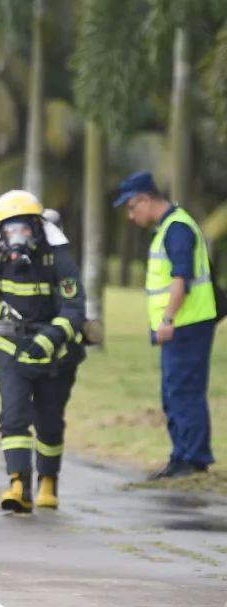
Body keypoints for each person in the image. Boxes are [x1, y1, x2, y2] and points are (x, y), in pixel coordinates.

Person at [0, 190, 86, 512]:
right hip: (12, 350)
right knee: (13, 417)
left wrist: (50, 338)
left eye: (23, 228)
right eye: (9, 229)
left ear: (37, 227)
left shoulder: (58, 258)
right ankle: (17, 484)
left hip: (56, 356)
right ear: (0, 233)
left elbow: (75, 308)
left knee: (49, 421)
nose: (17, 236)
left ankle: (47, 482)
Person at [115, 171, 218, 479]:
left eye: (132, 208)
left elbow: (181, 278)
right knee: (174, 391)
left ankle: (193, 459)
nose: (131, 216)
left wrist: (168, 318)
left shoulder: (177, 229)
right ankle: (181, 456)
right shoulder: (169, 228)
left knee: (183, 391)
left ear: (145, 200)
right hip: (182, 324)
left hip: (186, 324)